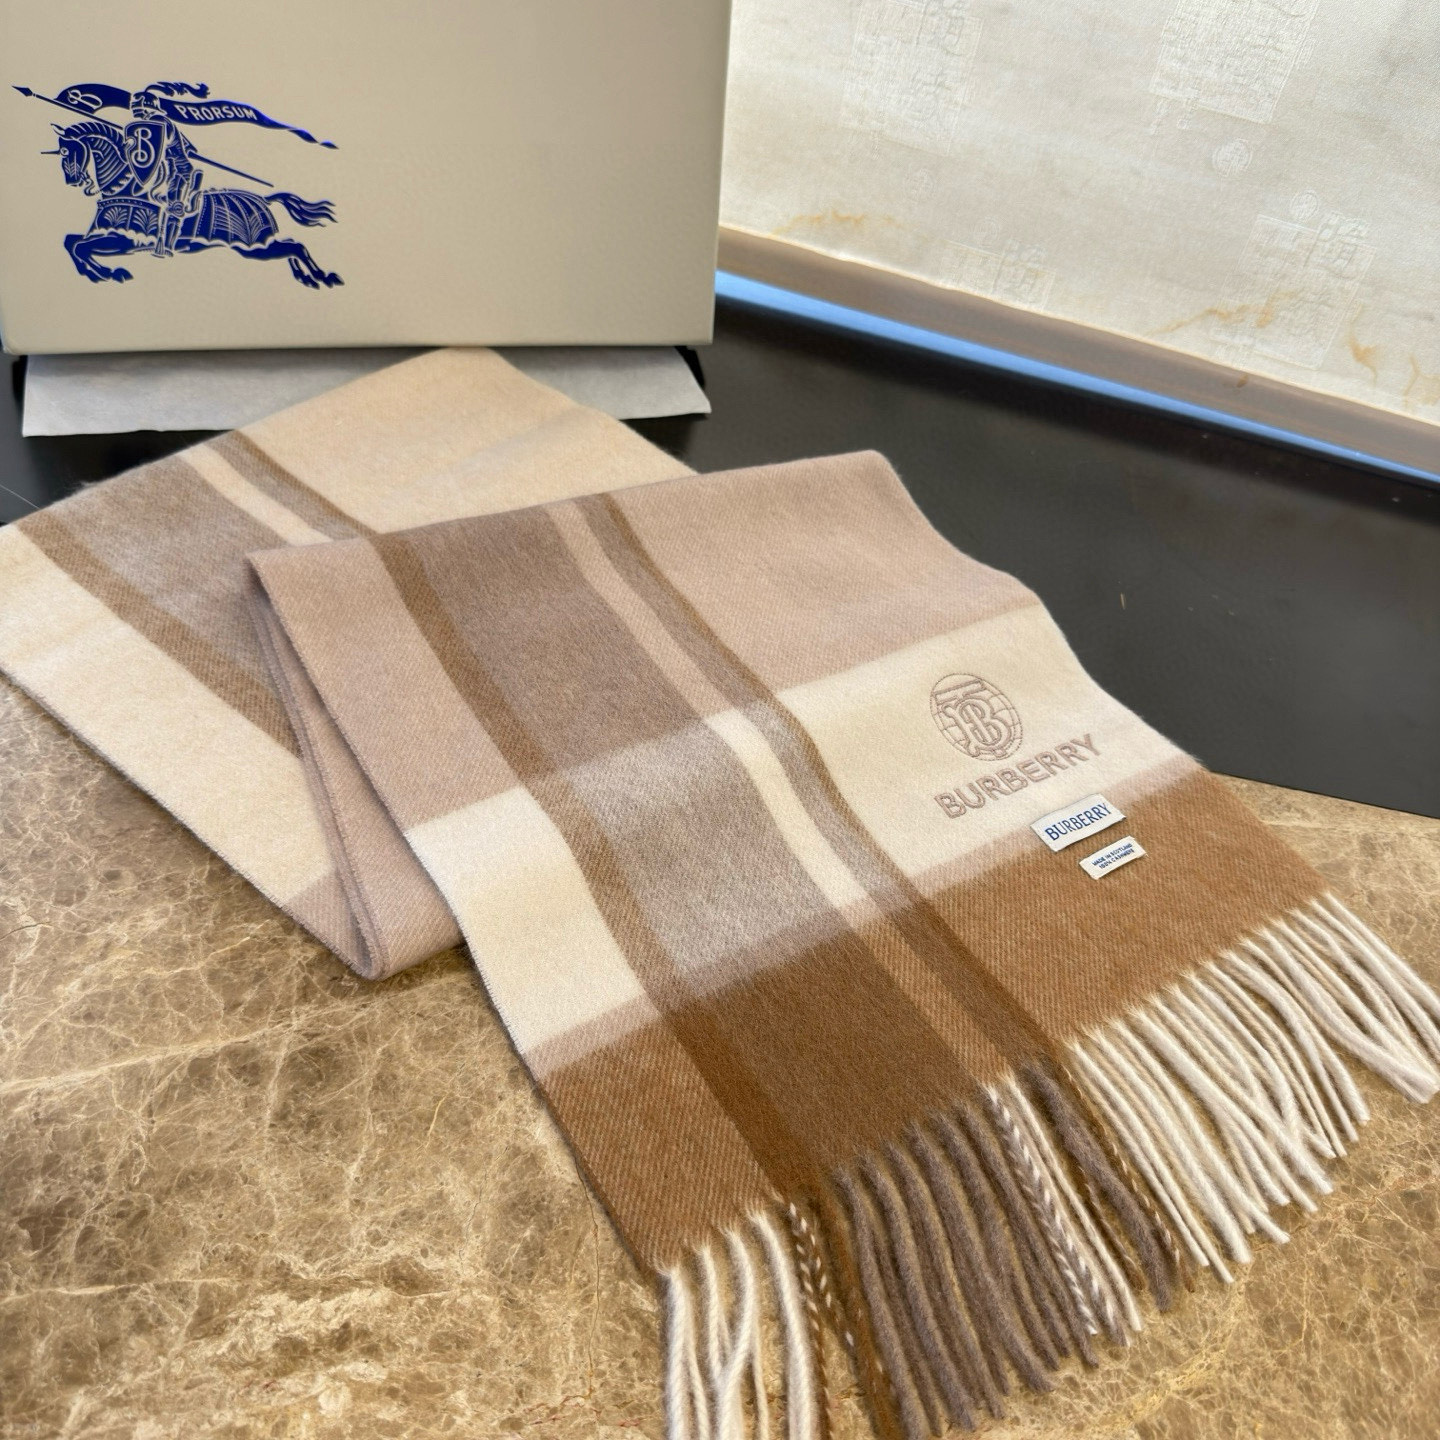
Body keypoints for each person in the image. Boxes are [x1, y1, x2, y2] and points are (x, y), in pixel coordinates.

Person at [124, 88, 203, 256]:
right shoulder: (153, 123)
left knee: (174, 207)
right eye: (133, 105)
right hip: (168, 169)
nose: (133, 109)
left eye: (136, 106)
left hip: (180, 171)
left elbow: (158, 146)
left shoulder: (159, 121)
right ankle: (155, 241)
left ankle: (167, 246)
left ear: (147, 106)